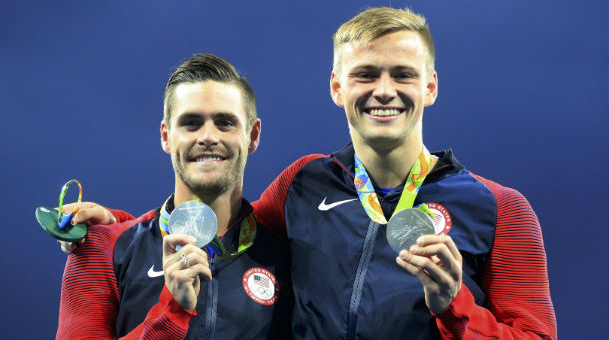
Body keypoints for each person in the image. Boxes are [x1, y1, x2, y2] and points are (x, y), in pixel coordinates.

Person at [61, 7, 557, 340]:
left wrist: (457, 307)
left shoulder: (501, 209)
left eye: (402, 74)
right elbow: (228, 223)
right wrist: (120, 228)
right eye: (365, 74)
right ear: (337, 88)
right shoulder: (304, 184)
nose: (384, 90)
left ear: (430, 86)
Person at [56, 53, 293, 340]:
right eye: (191, 123)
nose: (207, 136)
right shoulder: (101, 249)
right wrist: (172, 312)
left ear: (253, 135)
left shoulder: (291, 251)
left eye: (225, 123)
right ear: (166, 137)